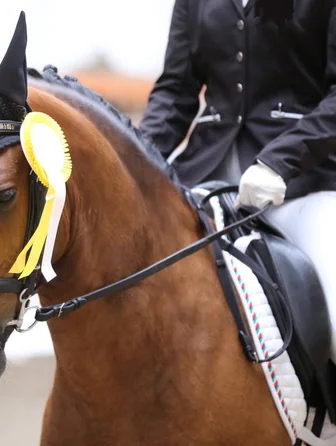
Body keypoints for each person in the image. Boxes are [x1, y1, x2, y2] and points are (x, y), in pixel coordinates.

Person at [139, 0, 336, 360]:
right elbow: (175, 92)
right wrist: (135, 160)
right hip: (202, 177)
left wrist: (279, 161)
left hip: (302, 184)